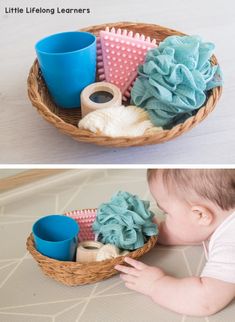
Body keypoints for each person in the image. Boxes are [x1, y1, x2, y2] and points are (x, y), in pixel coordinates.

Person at [115, 169, 235, 316]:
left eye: (166, 213)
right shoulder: (222, 217)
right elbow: (191, 232)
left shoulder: (230, 245)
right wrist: (156, 232)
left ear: (200, 215)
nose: (165, 217)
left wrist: (155, 284)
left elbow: (204, 301)